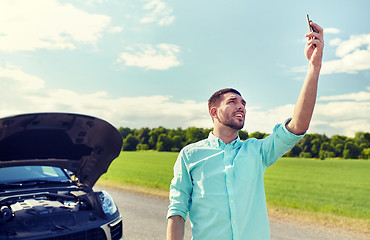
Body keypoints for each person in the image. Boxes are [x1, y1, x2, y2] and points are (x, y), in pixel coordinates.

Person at [166, 21, 324, 240]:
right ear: (214, 112)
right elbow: (177, 211)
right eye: (232, 101)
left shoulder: (257, 151)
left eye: (243, 103)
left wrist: (314, 67)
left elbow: (298, 126)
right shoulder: (190, 155)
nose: (241, 106)